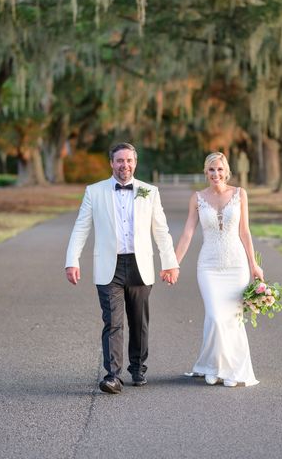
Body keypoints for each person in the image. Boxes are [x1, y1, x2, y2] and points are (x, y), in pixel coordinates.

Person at [65, 143, 179, 394]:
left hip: (140, 265)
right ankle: (112, 376)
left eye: (128, 160)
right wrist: (72, 259)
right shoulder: (94, 192)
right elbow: (81, 227)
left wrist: (169, 263)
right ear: (111, 163)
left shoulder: (149, 191)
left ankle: (137, 368)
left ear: (135, 163)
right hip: (110, 266)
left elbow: (161, 230)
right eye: (119, 160)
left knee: (139, 321)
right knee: (113, 322)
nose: (124, 165)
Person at [175, 152, 262, 387]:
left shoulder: (240, 194)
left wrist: (254, 264)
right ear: (206, 172)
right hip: (209, 266)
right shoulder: (197, 198)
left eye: (220, 169)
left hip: (236, 265)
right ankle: (214, 366)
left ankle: (231, 370)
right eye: (211, 170)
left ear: (227, 171)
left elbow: (245, 232)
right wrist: (174, 263)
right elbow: (187, 233)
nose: (216, 174)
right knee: (215, 316)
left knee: (232, 319)